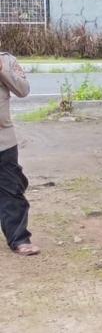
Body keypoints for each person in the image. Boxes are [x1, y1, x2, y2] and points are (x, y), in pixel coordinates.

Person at [0, 51, 35, 256]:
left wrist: (3, 71)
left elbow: (23, 90)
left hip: (3, 141)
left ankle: (19, 238)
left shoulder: (7, 60)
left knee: (12, 189)